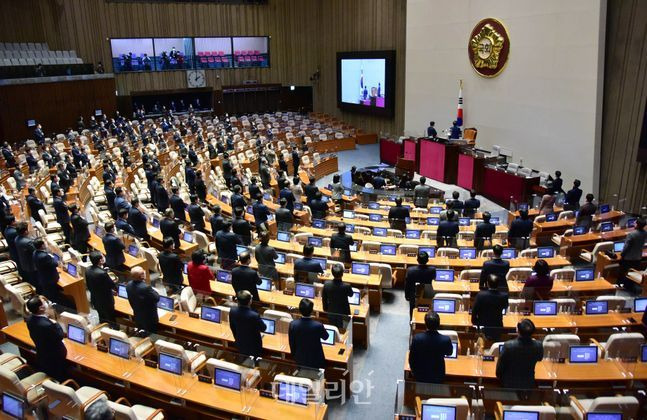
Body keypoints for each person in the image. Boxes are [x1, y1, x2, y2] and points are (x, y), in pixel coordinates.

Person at [26, 296, 67, 380]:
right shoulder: (47, 325)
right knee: (59, 375)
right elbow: (60, 335)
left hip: (42, 353)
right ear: (41, 308)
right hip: (56, 356)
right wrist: (55, 323)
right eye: (44, 302)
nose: (46, 303)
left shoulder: (29, 319)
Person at [496, 319, 543, 389]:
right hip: (528, 383)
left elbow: (499, 370)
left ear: (517, 330)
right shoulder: (538, 346)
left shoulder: (508, 346)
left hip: (509, 383)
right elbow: (540, 358)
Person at [408, 311, 454, 383]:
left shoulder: (417, 339)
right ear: (438, 324)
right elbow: (450, 353)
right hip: (438, 376)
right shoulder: (445, 340)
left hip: (420, 375)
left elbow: (411, 358)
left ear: (425, 324)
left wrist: (413, 371)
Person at [288, 298, 329, 369]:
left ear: (299, 310)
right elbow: (326, 337)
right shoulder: (318, 325)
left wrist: (295, 356)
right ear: (312, 311)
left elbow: (291, 343)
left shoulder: (293, 324)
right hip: (316, 360)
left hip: (300, 359)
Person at [229, 290, 266, 357]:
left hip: (240, 342)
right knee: (255, 361)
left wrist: (237, 338)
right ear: (250, 301)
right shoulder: (254, 315)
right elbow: (263, 328)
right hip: (254, 345)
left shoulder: (232, 311)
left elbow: (232, 327)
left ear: (237, 301)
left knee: (243, 359)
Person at [472, 275, 509, 341]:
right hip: (497, 325)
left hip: (482, 325)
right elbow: (505, 307)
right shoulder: (504, 296)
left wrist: (475, 322)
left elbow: (475, 310)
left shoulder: (480, 295)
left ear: (487, 284)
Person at [85, 251, 117, 326]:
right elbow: (111, 285)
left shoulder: (88, 269)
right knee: (111, 317)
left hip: (95, 297)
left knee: (101, 316)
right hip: (106, 299)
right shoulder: (102, 273)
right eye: (102, 256)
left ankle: (103, 326)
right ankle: (114, 329)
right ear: (100, 260)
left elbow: (89, 284)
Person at [32, 239, 67, 307]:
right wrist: (52, 258)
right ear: (42, 245)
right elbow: (55, 264)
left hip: (43, 276)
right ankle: (58, 306)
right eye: (44, 243)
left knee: (50, 292)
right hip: (50, 278)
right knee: (54, 294)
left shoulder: (35, 253)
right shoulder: (44, 256)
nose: (46, 244)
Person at [126, 266, 160, 335]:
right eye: (143, 272)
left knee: (143, 327)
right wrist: (153, 290)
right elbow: (156, 298)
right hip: (149, 315)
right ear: (141, 276)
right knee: (151, 332)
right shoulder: (145, 287)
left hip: (137, 313)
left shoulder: (128, 284)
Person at [618, 218, 647, 295]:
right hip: (638, 257)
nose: (634, 223)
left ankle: (624, 286)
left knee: (624, 272)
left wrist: (621, 256)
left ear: (637, 224)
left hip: (628, 258)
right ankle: (631, 286)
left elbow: (626, 247)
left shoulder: (631, 234)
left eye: (635, 222)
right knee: (633, 273)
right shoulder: (645, 233)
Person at [404, 251, 436, 318]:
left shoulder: (410, 270)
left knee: (413, 310)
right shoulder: (433, 270)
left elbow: (407, 285)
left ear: (417, 260)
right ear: (427, 260)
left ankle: (412, 320)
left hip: (414, 295)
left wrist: (407, 296)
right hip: (428, 294)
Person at [15, 222, 38, 290]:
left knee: (31, 279)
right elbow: (35, 251)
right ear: (25, 231)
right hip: (31, 265)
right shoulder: (27, 242)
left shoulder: (16, 238)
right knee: (36, 281)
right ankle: (39, 292)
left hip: (24, 262)